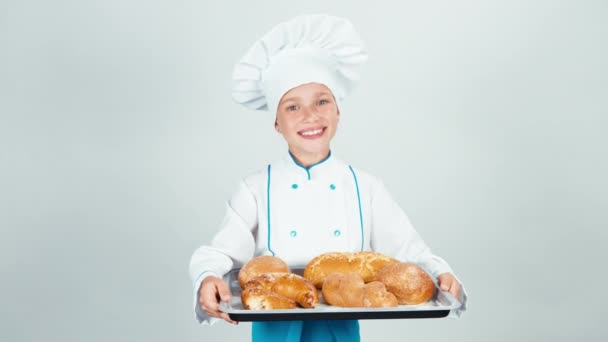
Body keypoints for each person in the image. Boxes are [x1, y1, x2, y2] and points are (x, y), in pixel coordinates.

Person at [189, 14, 467, 342]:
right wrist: (207, 277)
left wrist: (441, 274)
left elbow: (408, 249)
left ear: (338, 112)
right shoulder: (253, 188)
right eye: (292, 107)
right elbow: (220, 251)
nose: (310, 116)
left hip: (340, 320)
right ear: (277, 123)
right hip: (274, 318)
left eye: (322, 101)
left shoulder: (365, 186)